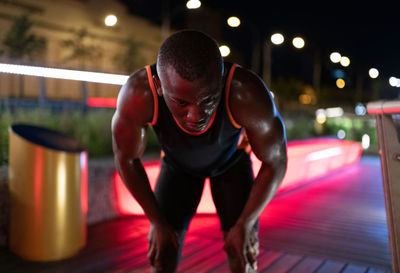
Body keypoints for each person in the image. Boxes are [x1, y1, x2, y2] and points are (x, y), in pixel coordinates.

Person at [111, 29, 287, 273]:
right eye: (181, 103)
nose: (196, 115)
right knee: (163, 254)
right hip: (178, 168)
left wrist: (246, 224)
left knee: (242, 255)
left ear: (222, 79)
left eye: (208, 99)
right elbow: (126, 159)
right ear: (160, 87)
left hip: (231, 165)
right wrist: (157, 222)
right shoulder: (139, 93)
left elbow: (276, 161)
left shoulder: (245, 92)